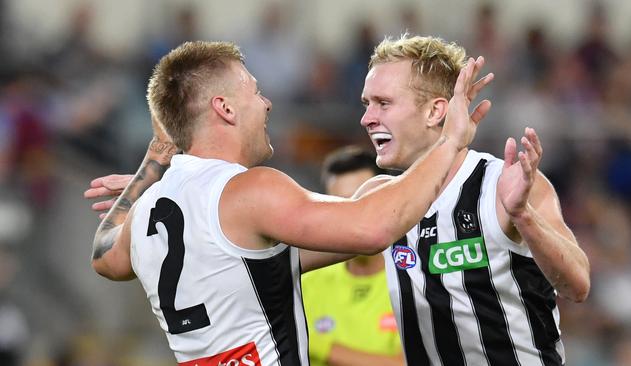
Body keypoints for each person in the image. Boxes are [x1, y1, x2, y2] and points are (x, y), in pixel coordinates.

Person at [86, 40, 493, 365]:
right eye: (255, 91)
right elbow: (373, 227)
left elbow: (104, 255)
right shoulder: (250, 192)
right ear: (224, 108)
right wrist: (451, 141)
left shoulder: (150, 210)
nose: (266, 103)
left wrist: (155, 161)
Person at [353, 35, 590, 366]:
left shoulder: (503, 184)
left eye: (383, 103)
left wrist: (523, 216)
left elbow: (577, 285)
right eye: (367, 104)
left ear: (436, 111)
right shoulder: (377, 197)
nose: (367, 118)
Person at [302, 146, 403, 366]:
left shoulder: (414, 278)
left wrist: (320, 347)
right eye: (339, 204)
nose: (351, 216)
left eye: (361, 203)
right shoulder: (305, 281)